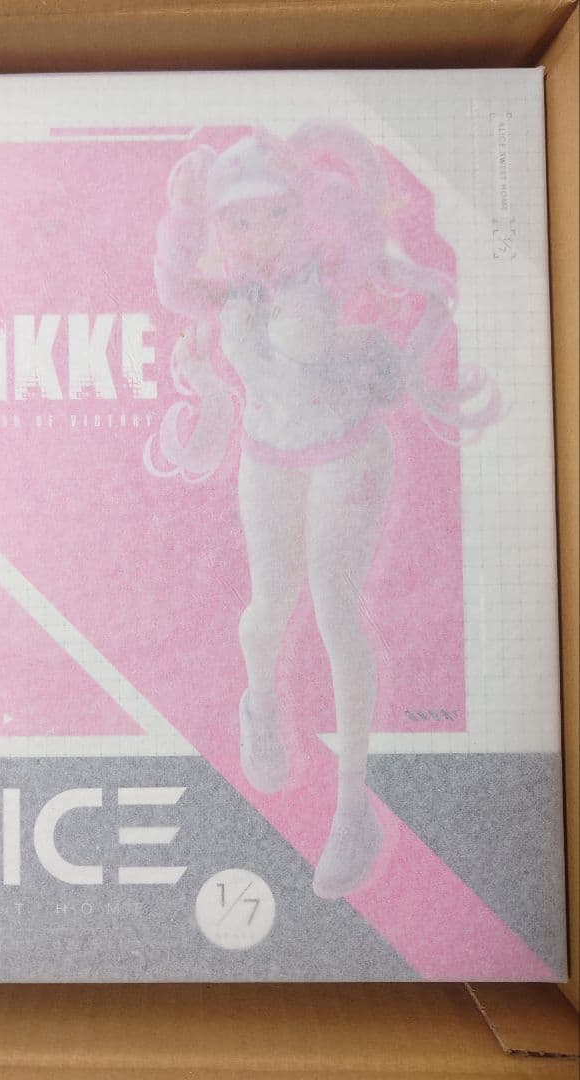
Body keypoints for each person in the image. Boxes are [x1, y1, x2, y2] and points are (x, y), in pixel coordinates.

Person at [147, 124, 498, 899]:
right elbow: (179, 292)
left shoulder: (326, 272)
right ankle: (260, 702)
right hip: (269, 454)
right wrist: (183, 219)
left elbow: (373, 254)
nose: (258, 233)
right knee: (266, 610)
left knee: (337, 609)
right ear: (219, 225)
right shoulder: (226, 290)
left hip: (346, 448)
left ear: (299, 209)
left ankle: (351, 804)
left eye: (273, 213)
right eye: (238, 220)